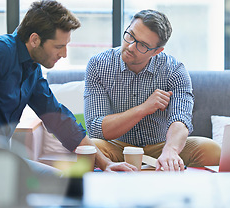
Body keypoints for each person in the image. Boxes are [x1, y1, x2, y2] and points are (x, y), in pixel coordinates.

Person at [0, 0, 137, 174]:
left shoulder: (32, 69)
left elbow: (57, 118)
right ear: (35, 39)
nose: (64, 54)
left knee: (69, 185)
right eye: (59, 46)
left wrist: (105, 164)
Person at [84, 9, 221, 171]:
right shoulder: (99, 65)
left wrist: (170, 150)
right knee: (87, 149)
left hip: (161, 147)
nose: (130, 46)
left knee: (210, 149)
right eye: (130, 35)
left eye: (142, 45)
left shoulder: (174, 70)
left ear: (157, 51)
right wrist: (143, 109)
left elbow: (180, 120)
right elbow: (95, 128)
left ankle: (168, 162)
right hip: (116, 148)